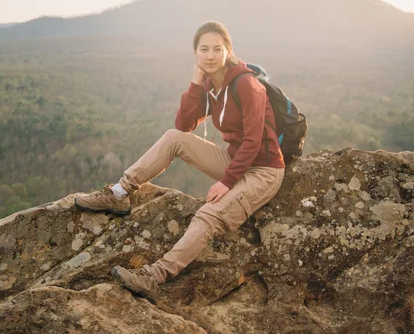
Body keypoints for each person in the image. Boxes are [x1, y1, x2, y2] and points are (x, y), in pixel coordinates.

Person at [75, 21, 285, 301]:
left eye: (217, 49)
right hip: (235, 160)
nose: (210, 55)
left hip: (263, 171)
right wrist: (196, 83)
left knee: (208, 215)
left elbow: (254, 141)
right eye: (204, 49)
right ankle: (119, 193)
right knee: (173, 137)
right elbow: (184, 125)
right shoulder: (212, 84)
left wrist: (226, 182)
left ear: (228, 50)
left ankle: (153, 277)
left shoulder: (247, 84)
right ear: (196, 54)